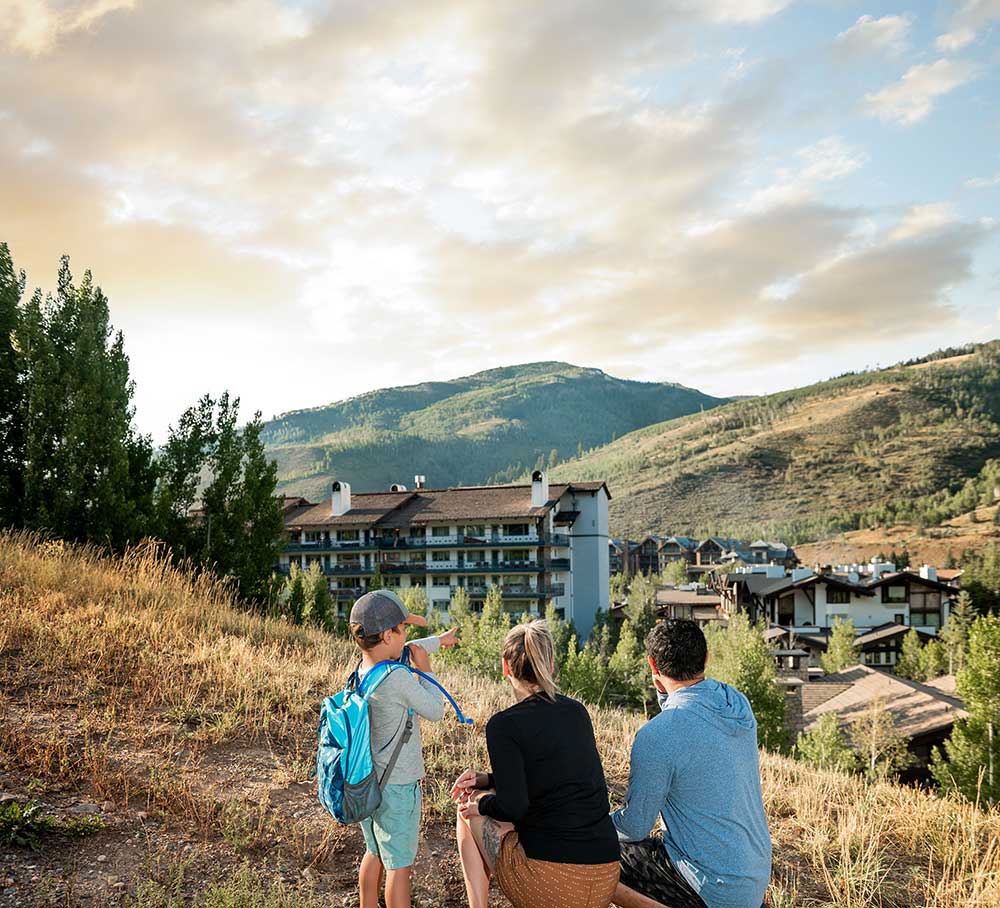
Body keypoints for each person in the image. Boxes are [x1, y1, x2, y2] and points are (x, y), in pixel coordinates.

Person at [451, 620, 620, 908]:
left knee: (466, 807)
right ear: (550, 665)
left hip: (554, 886)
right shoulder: (577, 713)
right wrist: (488, 779)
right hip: (605, 876)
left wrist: (479, 804)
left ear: (505, 667)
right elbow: (554, 775)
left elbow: (514, 806)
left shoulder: (504, 725)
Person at [610, 619, 772, 908]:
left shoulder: (657, 735)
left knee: (597, 855)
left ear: (652, 665)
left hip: (714, 888)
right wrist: (665, 690)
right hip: (753, 879)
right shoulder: (737, 704)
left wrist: (587, 827)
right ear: (706, 658)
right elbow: (687, 712)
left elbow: (634, 827)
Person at [349, 589, 458, 908]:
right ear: (387, 635)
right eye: (403, 628)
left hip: (370, 783)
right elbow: (435, 710)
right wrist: (426, 669)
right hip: (397, 789)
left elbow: (407, 648)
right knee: (399, 866)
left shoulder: (363, 671)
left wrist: (438, 641)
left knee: (374, 852)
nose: (407, 635)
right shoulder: (397, 678)